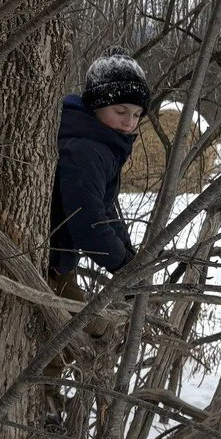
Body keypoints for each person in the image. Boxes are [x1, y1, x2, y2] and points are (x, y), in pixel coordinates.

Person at [49, 53, 150, 281]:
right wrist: (123, 266)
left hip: (58, 263)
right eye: (121, 112)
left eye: (137, 115)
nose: (129, 122)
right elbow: (88, 221)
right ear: (96, 105)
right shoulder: (84, 151)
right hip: (47, 264)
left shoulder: (102, 145)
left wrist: (128, 256)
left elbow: (105, 206)